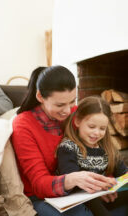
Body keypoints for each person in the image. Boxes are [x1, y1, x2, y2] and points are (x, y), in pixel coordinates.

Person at [11, 65, 117, 216]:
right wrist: (73, 179)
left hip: (78, 191)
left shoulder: (75, 114)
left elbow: (97, 150)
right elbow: (39, 184)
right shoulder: (23, 124)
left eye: (72, 101)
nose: (68, 111)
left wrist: (102, 182)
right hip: (41, 197)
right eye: (60, 105)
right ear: (40, 96)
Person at [57, 96, 128, 216]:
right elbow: (72, 184)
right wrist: (99, 190)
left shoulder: (106, 148)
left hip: (102, 196)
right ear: (78, 121)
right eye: (91, 127)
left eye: (102, 128)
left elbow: (123, 174)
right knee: (92, 199)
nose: (96, 133)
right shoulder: (68, 147)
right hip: (81, 199)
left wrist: (115, 184)